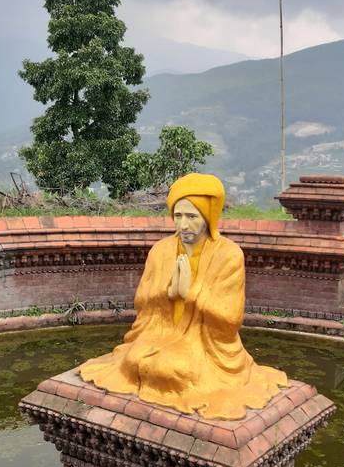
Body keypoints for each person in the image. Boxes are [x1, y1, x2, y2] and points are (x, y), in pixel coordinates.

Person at [78, 173, 287, 419]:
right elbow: (142, 299)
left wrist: (191, 293)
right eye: (178, 216)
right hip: (160, 330)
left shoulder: (229, 255)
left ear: (208, 217)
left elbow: (231, 318)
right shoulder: (161, 250)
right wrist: (168, 292)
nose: (183, 225)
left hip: (204, 344)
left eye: (192, 216)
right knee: (133, 360)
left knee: (173, 370)